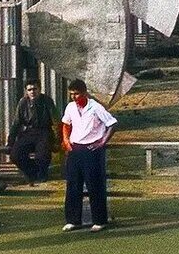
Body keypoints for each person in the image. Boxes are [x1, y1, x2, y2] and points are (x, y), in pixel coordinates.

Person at [60, 79, 117, 233]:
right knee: (73, 185)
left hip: (92, 150)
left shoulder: (95, 107)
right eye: (71, 94)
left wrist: (102, 142)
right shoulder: (70, 107)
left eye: (77, 94)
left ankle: (99, 220)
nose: (74, 97)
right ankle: (73, 220)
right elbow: (66, 124)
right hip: (75, 149)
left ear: (84, 93)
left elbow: (112, 124)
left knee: (95, 185)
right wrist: (66, 140)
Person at [9, 81, 56, 184]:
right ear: (26, 91)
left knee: (42, 155)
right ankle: (32, 172)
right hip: (29, 131)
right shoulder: (23, 102)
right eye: (29, 90)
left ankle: (42, 173)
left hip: (44, 131)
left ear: (39, 89)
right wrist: (11, 140)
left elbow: (55, 120)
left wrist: (58, 138)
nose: (32, 92)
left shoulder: (47, 101)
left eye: (35, 89)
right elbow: (16, 122)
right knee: (15, 154)